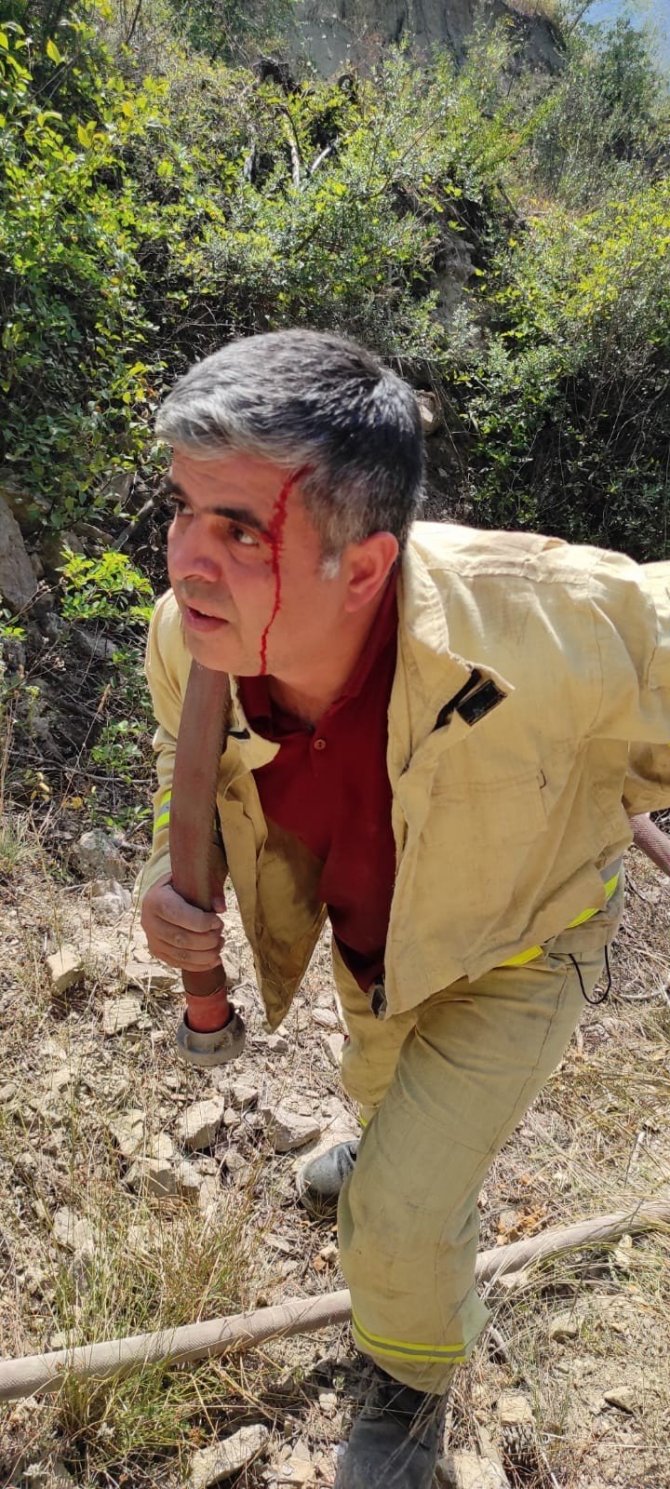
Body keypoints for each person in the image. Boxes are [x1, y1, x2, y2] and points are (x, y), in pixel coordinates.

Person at [138, 329, 670, 1489]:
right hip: (376, 942)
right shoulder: (191, 643)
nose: (187, 561)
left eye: (240, 528)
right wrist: (166, 889)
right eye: (180, 510)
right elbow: (206, 789)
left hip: (527, 943)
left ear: (366, 564)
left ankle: (409, 1389)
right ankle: (394, 1148)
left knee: (394, 1214)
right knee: (381, 1091)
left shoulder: (550, 616)